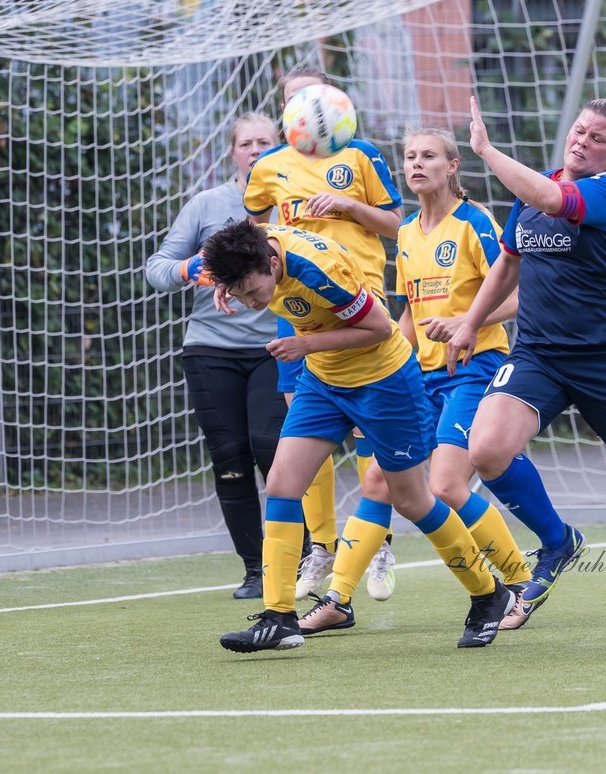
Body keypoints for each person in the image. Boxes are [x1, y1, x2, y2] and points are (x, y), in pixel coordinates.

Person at [205, 219, 514, 653]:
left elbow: (380, 329)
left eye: (253, 292)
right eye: (241, 295)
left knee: (412, 501)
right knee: (282, 484)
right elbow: (237, 242)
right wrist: (227, 283)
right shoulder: (253, 252)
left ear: (273, 264)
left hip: (383, 382)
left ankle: (488, 595)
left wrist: (307, 345)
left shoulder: (318, 271)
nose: (252, 302)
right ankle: (279, 618)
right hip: (324, 382)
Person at [449, 96, 606, 647]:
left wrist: (485, 151)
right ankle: (557, 542)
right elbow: (508, 262)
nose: (583, 141)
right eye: (580, 131)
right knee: (485, 450)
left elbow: (551, 197)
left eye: (597, 138)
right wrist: (470, 322)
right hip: (539, 355)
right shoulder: (532, 194)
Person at [297, 127, 536, 635]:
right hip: (419, 376)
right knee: (379, 480)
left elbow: (522, 296)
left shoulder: (474, 224)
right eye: (409, 157)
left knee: (445, 484)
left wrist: (469, 322)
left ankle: (520, 585)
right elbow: (409, 311)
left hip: (473, 370)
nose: (416, 164)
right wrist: (394, 357)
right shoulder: (405, 231)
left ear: (453, 166)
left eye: (429, 155)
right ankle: (337, 600)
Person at [244, 66, 403, 602]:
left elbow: (398, 223)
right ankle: (323, 546)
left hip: (356, 300)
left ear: (334, 103)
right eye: (292, 101)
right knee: (302, 426)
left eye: (312, 99)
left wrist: (350, 206)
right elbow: (255, 231)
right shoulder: (268, 167)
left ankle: (375, 537)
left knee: (363, 423)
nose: (303, 110)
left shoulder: (360, 155)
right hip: (295, 305)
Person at [145, 113, 287, 600]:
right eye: (245, 143)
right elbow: (157, 268)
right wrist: (190, 268)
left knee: (272, 448)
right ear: (233, 153)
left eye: (264, 141)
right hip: (211, 349)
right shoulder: (207, 205)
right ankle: (256, 568)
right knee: (230, 457)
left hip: (278, 346)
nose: (254, 149)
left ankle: (303, 557)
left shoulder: (293, 205)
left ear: (281, 147)